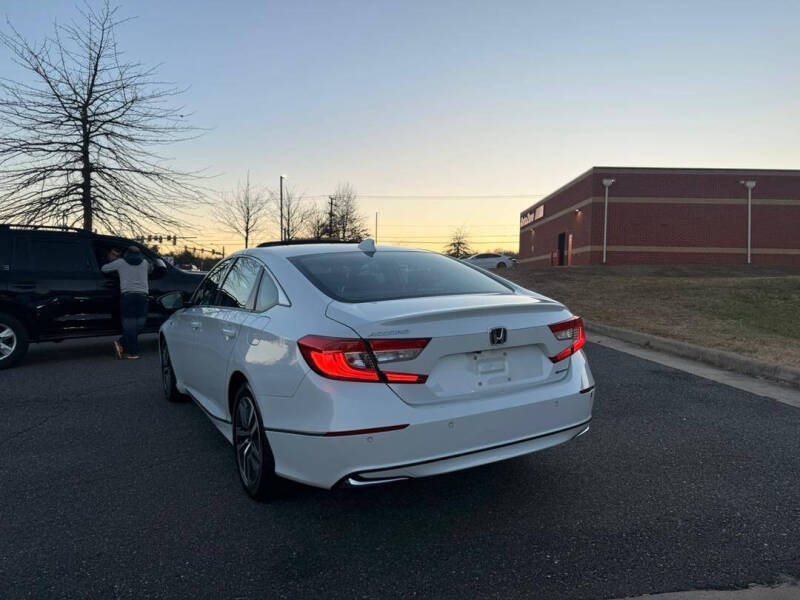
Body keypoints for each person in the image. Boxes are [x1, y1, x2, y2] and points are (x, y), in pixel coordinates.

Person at [101, 246, 152, 359]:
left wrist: (114, 261)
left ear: (126, 254)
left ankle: (130, 351)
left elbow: (104, 269)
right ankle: (125, 346)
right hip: (143, 297)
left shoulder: (120, 262)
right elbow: (151, 269)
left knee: (129, 326)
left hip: (128, 296)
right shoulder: (145, 263)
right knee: (139, 325)